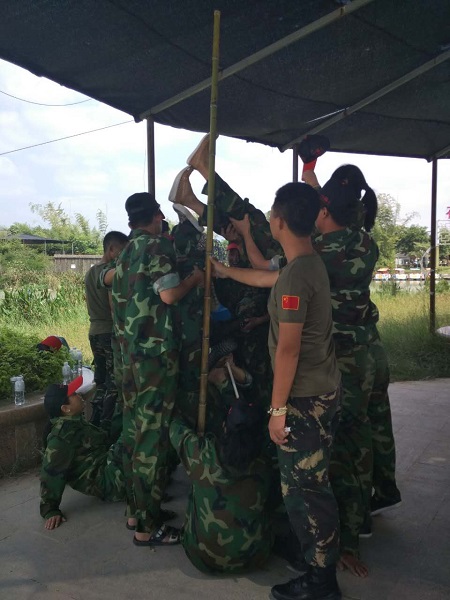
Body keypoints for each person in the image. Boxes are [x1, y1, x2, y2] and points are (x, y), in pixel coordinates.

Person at [232, 165, 401, 577]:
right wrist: (310, 176)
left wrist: (277, 410)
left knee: (324, 466)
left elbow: (283, 330)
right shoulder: (365, 242)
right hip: (369, 354)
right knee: (363, 441)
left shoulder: (313, 256)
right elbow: (322, 210)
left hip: (334, 362)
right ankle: (362, 518)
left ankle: (334, 548)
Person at [212, 182, 342, 600]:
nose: (268, 216)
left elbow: (288, 349)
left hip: (304, 399)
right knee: (307, 482)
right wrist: (226, 271)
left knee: (307, 489)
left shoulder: (297, 274)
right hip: (320, 390)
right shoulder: (304, 264)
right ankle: (310, 552)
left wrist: (277, 410)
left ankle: (321, 580)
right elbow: (267, 278)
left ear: (279, 220)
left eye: (270, 211)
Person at [112, 191, 204, 546]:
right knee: (152, 438)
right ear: (156, 217)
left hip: (129, 360)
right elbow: (168, 295)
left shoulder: (123, 254)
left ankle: (136, 512)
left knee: (133, 434)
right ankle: (147, 528)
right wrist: (194, 280)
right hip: (155, 359)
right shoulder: (157, 246)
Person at [169, 388, 275, 574]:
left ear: (224, 427)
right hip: (255, 557)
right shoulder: (267, 464)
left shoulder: (202, 455)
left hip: (203, 559)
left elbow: (175, 427)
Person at [40, 369, 125, 530]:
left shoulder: (73, 421)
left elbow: (102, 438)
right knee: (135, 434)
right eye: (74, 394)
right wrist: (50, 509)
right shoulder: (61, 438)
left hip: (107, 464)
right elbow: (49, 473)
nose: (79, 394)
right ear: (66, 408)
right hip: (108, 481)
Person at [84, 231, 129, 428]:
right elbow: (113, 307)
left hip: (94, 331)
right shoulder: (111, 273)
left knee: (100, 380)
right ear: (111, 249)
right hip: (108, 332)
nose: (124, 255)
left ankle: (94, 422)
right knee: (113, 382)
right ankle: (105, 426)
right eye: (122, 250)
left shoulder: (91, 272)